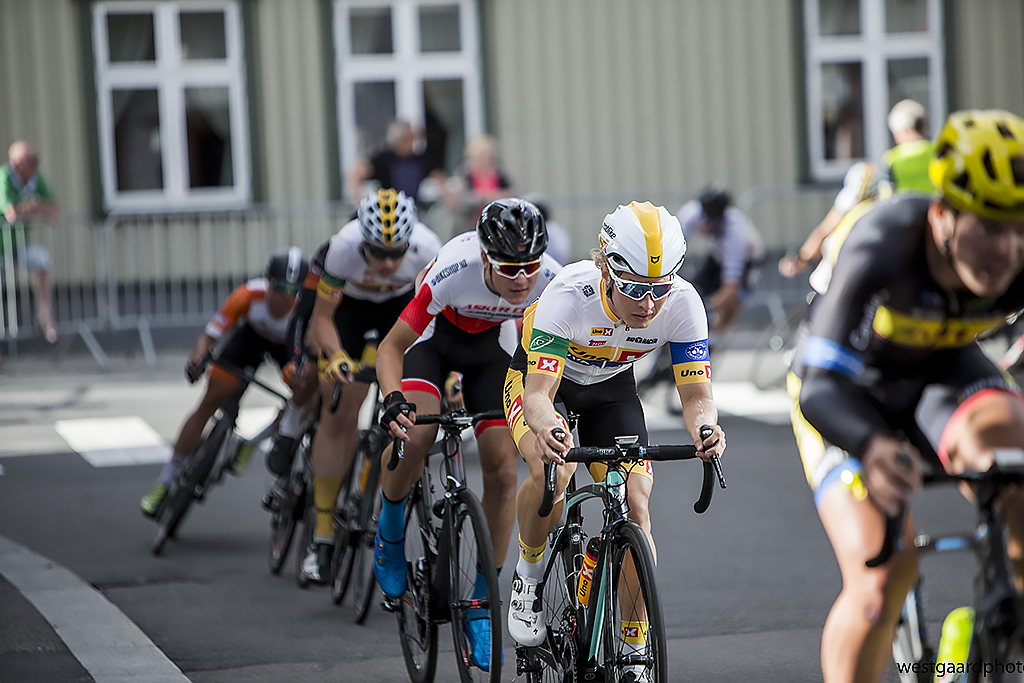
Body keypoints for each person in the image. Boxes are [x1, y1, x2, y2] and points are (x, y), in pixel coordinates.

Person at [789, 109, 1024, 683]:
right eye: (990, 227)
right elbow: (820, 386)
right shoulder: (884, 242)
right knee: (882, 578)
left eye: (1020, 227)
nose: (1008, 249)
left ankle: (992, 636)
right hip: (849, 392)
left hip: (945, 374)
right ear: (942, 215)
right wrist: (871, 445)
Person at [502, 202, 726, 677]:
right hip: (544, 383)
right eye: (634, 288)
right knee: (554, 469)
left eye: (659, 289)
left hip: (611, 389)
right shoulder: (568, 295)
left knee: (637, 507)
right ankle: (529, 575)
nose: (648, 304)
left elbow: (697, 396)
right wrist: (549, 429)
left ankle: (634, 648)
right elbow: (539, 396)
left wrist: (706, 428)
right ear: (605, 270)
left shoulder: (683, 303)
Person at [375, 198, 560, 669]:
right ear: (484, 258)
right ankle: (390, 528)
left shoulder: (551, 278)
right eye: (509, 269)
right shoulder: (453, 269)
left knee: (503, 472)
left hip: (491, 352)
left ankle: (480, 601)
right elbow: (391, 347)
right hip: (433, 343)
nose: (523, 279)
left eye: (530, 267)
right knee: (416, 436)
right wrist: (392, 397)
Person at [297, 188, 441, 584]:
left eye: (397, 253)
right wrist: (336, 356)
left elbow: (437, 321)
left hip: (400, 309)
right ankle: (322, 536)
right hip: (350, 311)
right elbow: (322, 319)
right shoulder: (343, 248)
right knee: (341, 408)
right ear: (363, 241)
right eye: (378, 253)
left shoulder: (429, 248)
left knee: (415, 402)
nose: (388, 263)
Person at [140, 249, 309, 517]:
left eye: (294, 290)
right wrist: (197, 360)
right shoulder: (248, 295)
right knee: (209, 401)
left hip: (287, 347)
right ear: (267, 282)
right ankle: (166, 480)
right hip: (250, 339)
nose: (286, 297)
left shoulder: (304, 308)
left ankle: (253, 442)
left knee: (305, 397)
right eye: (280, 287)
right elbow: (208, 338)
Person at [778, 161, 891, 292]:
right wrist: (802, 258)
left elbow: (826, 229)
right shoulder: (885, 203)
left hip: (851, 271)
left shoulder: (865, 207)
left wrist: (802, 258)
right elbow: (825, 230)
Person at [676, 184, 764, 349]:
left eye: (713, 221)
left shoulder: (735, 233)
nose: (707, 225)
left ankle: (712, 341)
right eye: (705, 218)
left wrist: (711, 305)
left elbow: (731, 285)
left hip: (747, 263)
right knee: (693, 292)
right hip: (717, 256)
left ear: (723, 216)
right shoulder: (691, 213)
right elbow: (673, 245)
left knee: (728, 302)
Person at [1, 141, 60, 343]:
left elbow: (54, 210)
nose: (35, 164)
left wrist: (32, 207)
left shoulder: (34, 179)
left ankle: (45, 315)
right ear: (17, 163)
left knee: (42, 260)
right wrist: (34, 208)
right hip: (1, 245)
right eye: (30, 161)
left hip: (17, 244)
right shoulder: (4, 177)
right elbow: (11, 214)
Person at [346, 120, 447, 207]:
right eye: (409, 137)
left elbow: (438, 176)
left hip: (411, 208)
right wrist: (359, 198)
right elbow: (356, 173)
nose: (413, 141)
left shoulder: (420, 159)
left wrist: (447, 195)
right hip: (388, 210)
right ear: (400, 139)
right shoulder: (384, 159)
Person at [442, 134, 516, 237]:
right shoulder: (464, 174)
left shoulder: (499, 173)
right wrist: (487, 198)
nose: (486, 159)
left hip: (497, 230)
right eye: (482, 156)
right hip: (470, 228)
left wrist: (503, 196)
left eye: (489, 156)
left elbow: (515, 192)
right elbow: (459, 200)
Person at [881, 99, 935, 194]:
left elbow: (887, 195)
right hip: (936, 203)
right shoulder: (938, 150)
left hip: (905, 203)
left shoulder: (892, 158)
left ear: (903, 131)